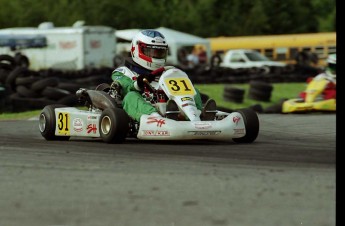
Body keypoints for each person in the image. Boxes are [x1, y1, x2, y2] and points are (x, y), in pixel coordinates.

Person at [111, 29, 217, 122]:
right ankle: (155, 119)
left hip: (166, 105)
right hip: (141, 107)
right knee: (131, 96)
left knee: (193, 90)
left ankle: (197, 115)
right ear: (137, 49)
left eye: (159, 52)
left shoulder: (166, 73)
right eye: (151, 52)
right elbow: (124, 85)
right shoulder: (123, 71)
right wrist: (137, 84)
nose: (156, 56)